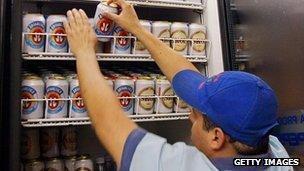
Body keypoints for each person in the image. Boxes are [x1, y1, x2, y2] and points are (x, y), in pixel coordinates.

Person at [63, 0, 292, 170]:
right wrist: (138, 29)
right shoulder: (277, 155)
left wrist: (83, 50)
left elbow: (107, 122)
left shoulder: (177, 166)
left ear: (217, 137)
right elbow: (186, 76)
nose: (190, 115)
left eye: (197, 113)